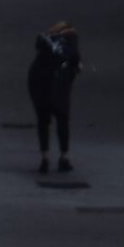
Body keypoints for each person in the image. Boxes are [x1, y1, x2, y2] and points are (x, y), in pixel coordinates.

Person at [27, 21, 83, 174]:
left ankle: (45, 158)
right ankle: (64, 157)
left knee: (43, 122)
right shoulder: (71, 41)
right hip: (58, 86)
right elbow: (76, 63)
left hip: (39, 84)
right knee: (62, 120)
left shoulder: (47, 42)